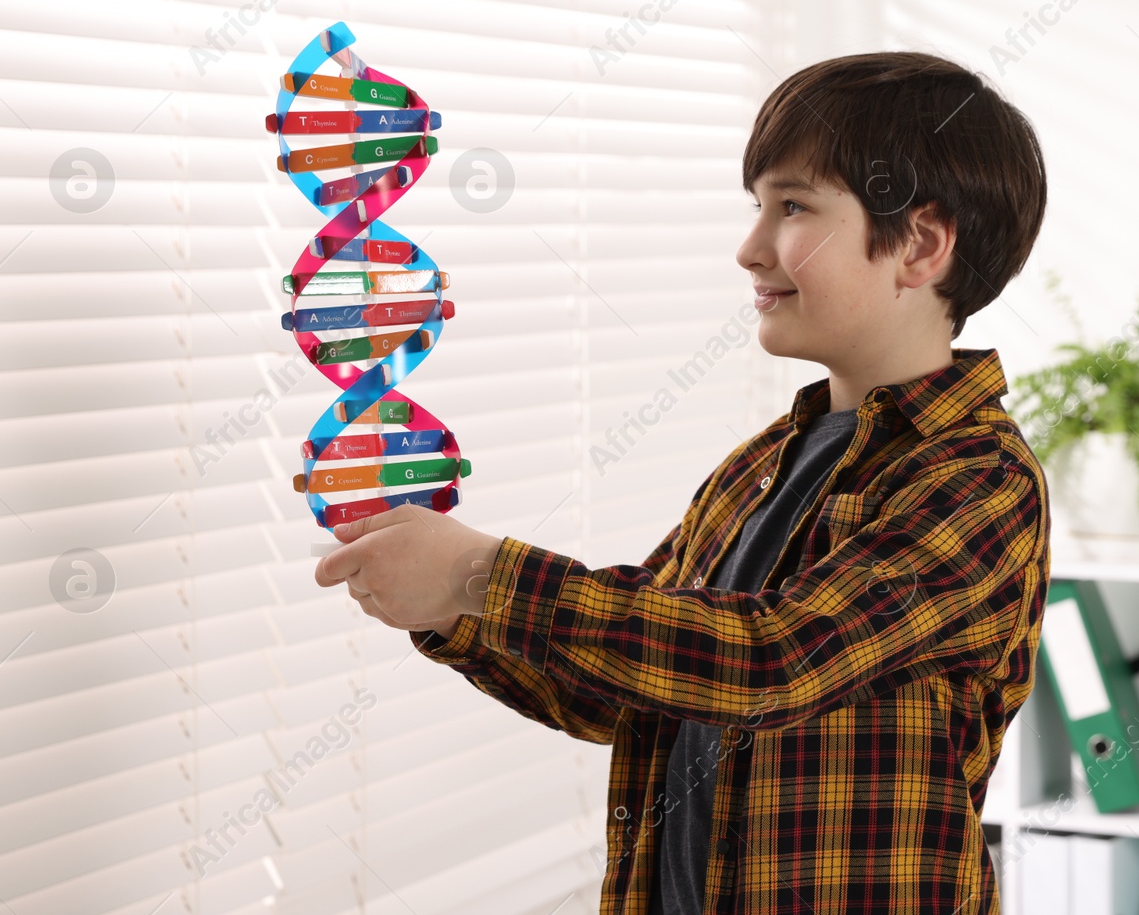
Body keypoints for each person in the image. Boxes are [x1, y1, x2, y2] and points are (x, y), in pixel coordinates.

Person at [317, 50, 1052, 914]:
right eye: (759, 207)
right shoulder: (760, 467)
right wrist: (454, 612)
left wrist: (484, 573)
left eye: (793, 207)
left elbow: (773, 660)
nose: (750, 248)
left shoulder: (978, 480)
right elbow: (637, 681)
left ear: (919, 245)